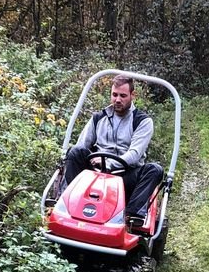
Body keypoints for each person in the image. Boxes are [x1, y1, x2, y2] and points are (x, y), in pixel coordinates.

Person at [63, 75, 164, 229]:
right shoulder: (98, 118)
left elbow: (134, 155)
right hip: (95, 173)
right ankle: (68, 201)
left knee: (154, 170)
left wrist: (109, 163)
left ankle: (130, 217)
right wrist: (94, 160)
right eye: (114, 95)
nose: (118, 99)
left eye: (123, 96)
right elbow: (82, 144)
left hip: (125, 176)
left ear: (132, 95)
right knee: (75, 152)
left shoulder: (142, 121)